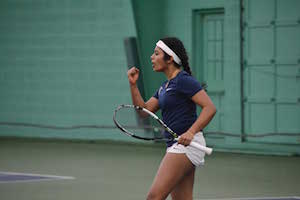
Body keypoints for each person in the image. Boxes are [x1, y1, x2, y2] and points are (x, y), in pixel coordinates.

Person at [127, 37, 216, 200]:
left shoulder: (183, 81)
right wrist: (133, 85)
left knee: (154, 197)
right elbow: (143, 111)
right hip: (176, 145)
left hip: (188, 144)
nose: (151, 57)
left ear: (169, 58)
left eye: (156, 54)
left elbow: (210, 108)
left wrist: (190, 132)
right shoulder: (164, 87)